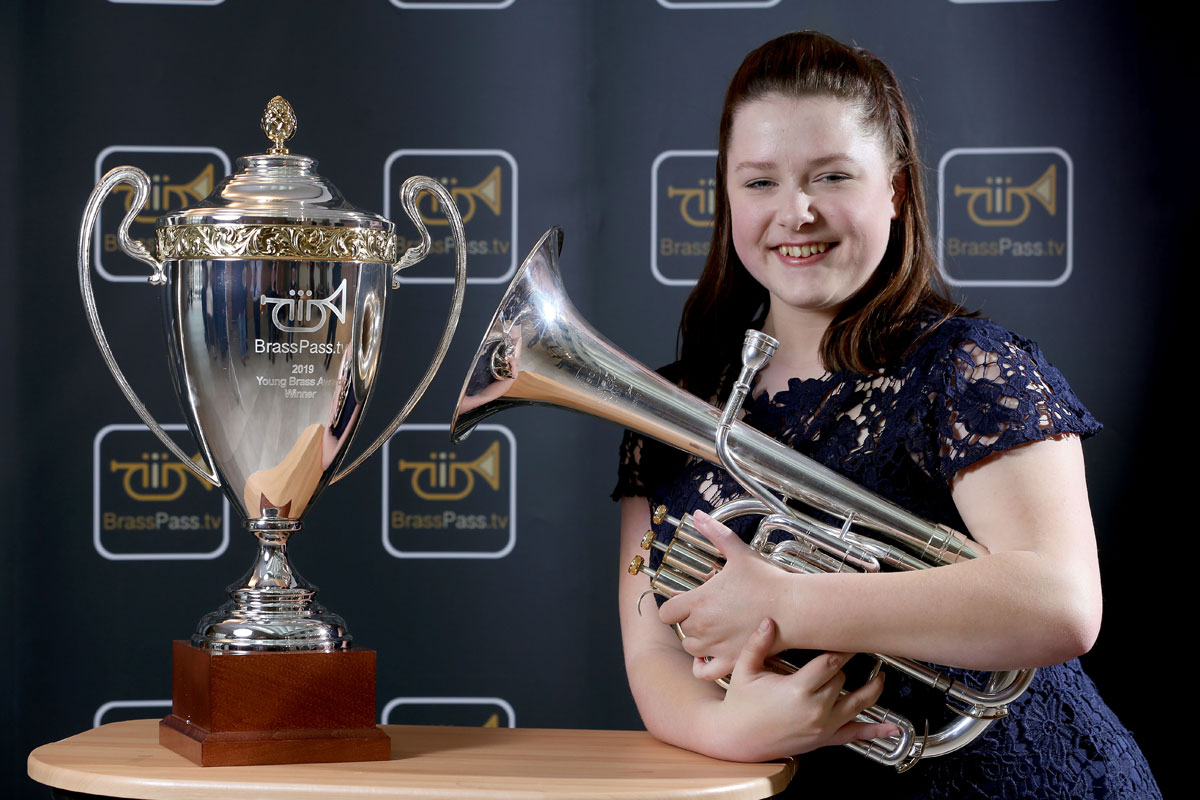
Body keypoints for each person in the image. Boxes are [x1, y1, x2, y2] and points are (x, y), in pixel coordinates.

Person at [612, 31, 1159, 799]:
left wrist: (790, 603)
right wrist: (729, 731)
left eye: (831, 175)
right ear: (726, 197)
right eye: (759, 182)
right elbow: (653, 653)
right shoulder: (667, 407)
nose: (795, 213)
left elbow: (1060, 603)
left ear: (895, 190)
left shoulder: (967, 366)